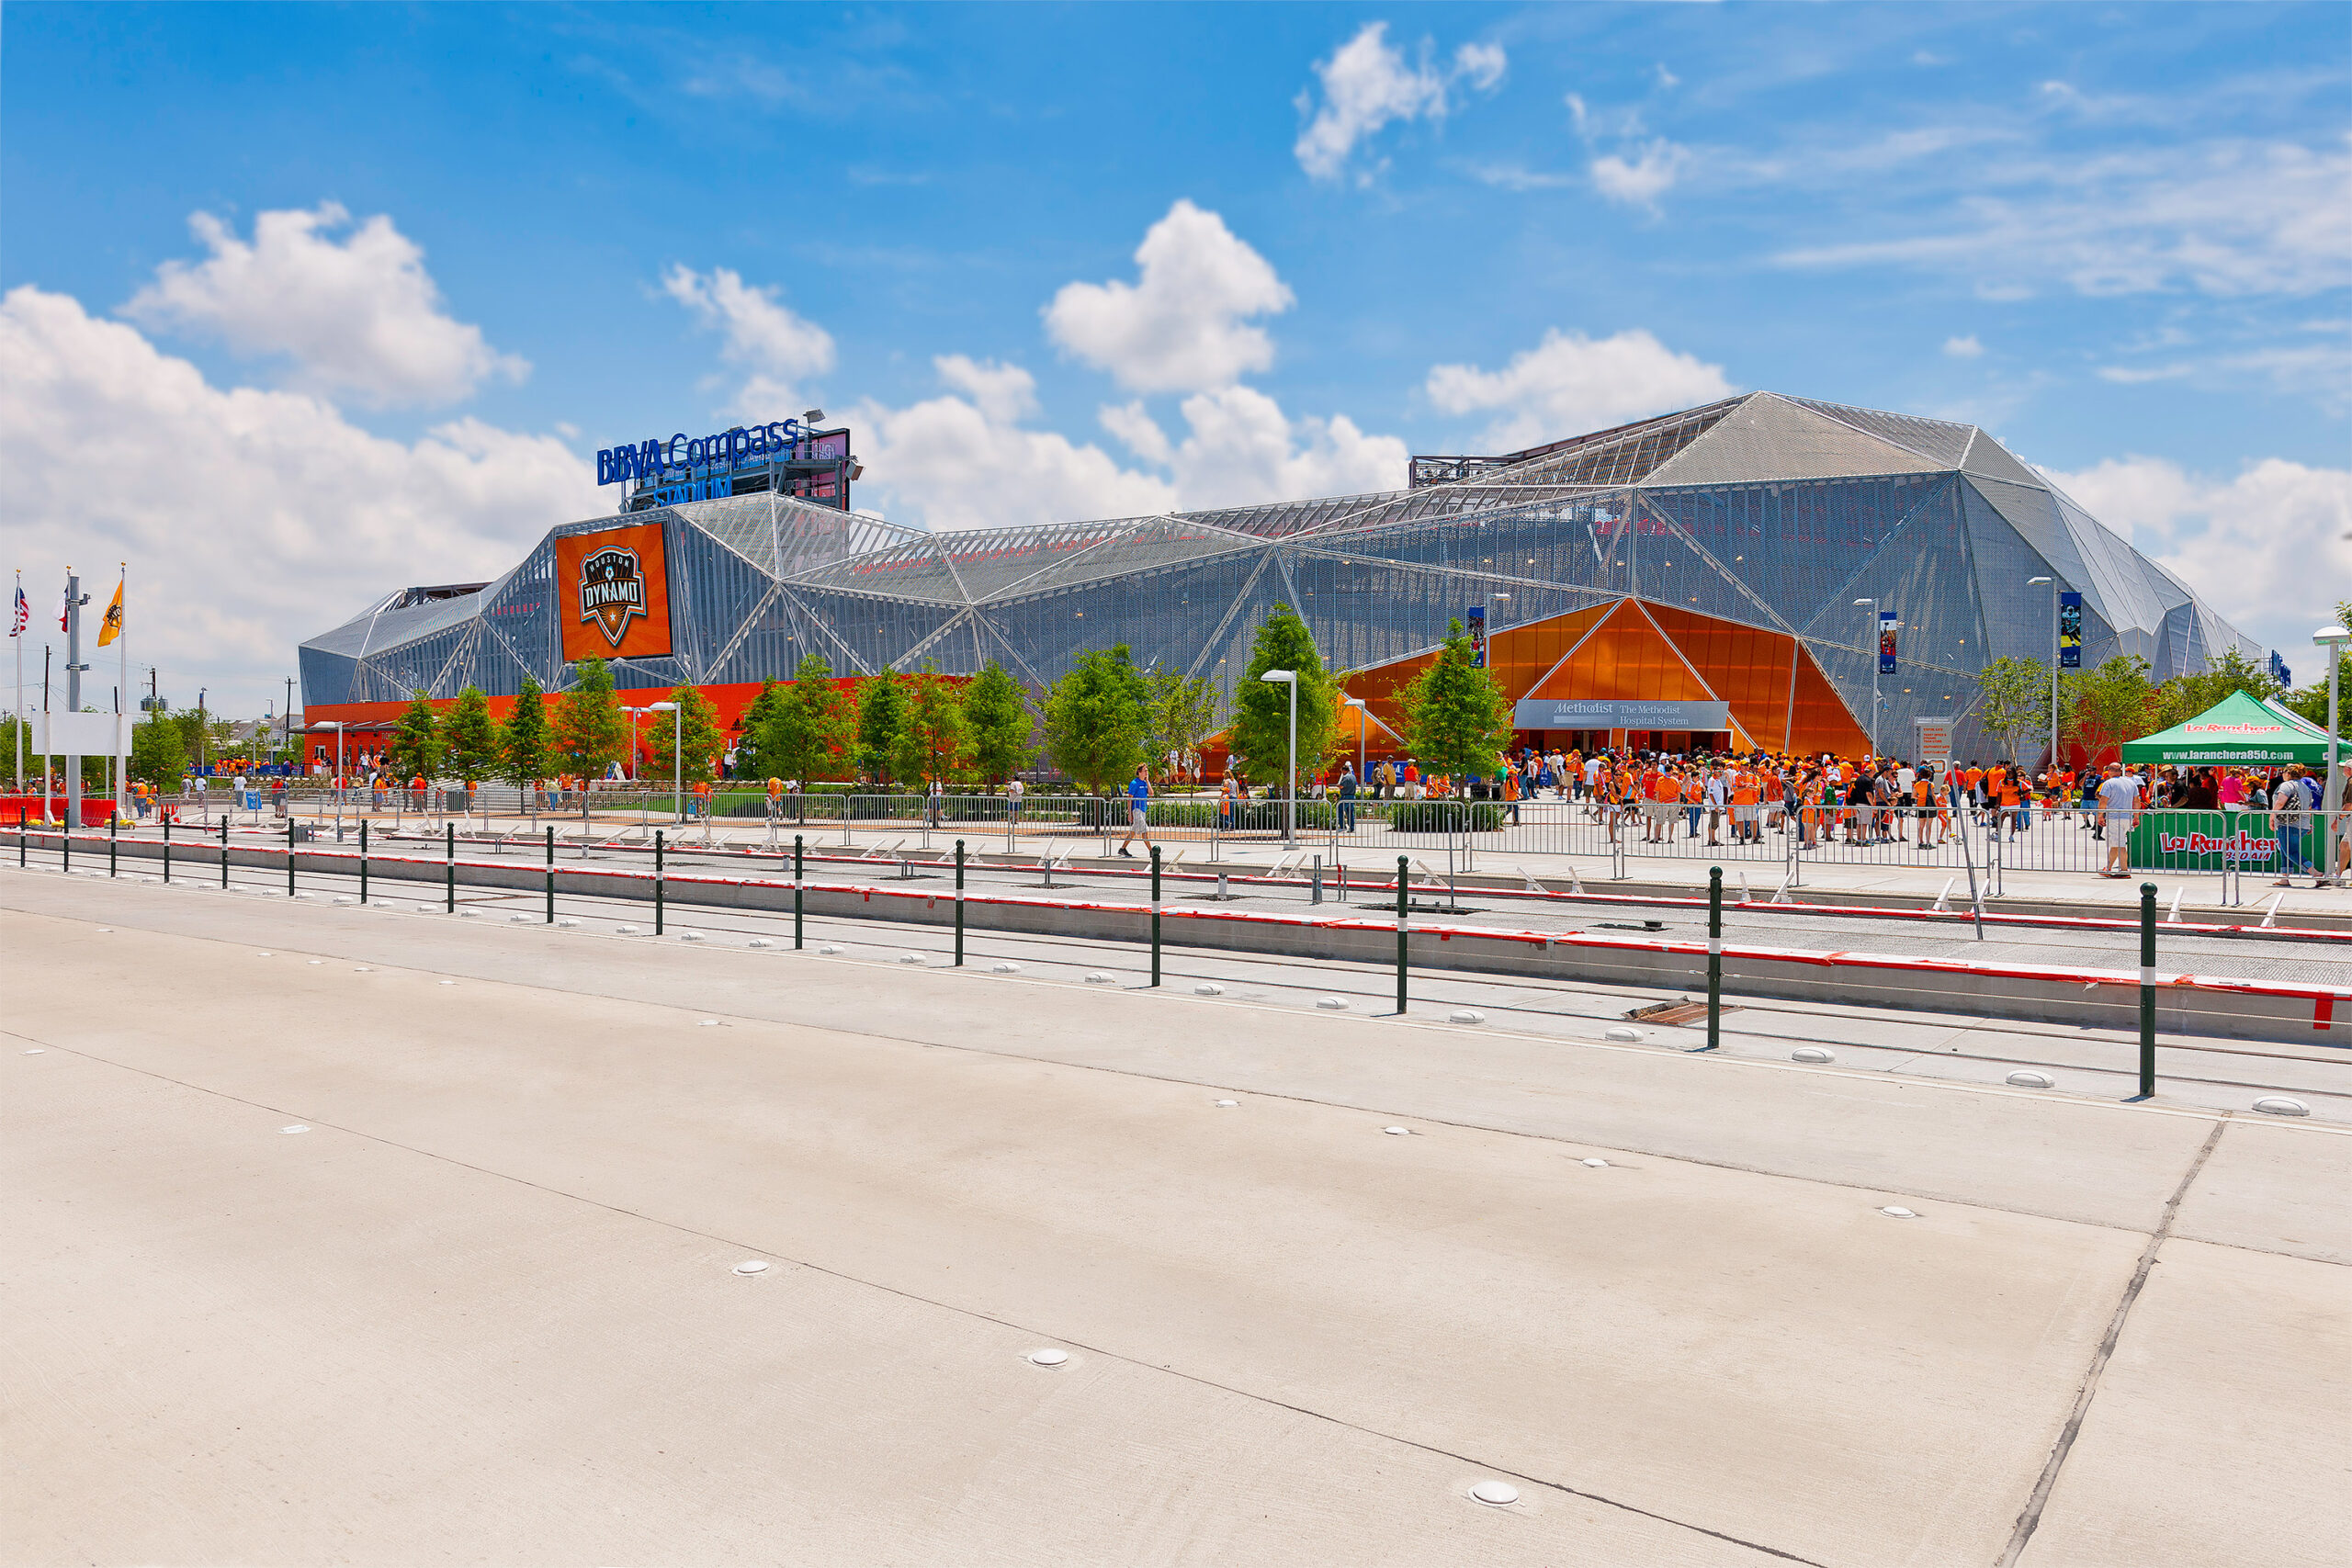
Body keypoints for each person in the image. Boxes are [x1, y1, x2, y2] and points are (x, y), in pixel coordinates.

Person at [2271, 764, 2316, 886]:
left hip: (2288, 823)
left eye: (2284, 772)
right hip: (2302, 823)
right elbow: (2309, 807)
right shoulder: (2305, 787)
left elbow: (2280, 802)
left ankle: (2314, 872)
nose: (2282, 774)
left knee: (2290, 851)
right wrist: (2308, 823)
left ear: (2289, 773)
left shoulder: (2286, 785)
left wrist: (2272, 817)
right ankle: (2285, 877)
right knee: (2285, 850)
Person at [2095, 762, 2142, 878]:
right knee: (2115, 844)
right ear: (2120, 771)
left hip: (2115, 817)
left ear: (2110, 770)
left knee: (2120, 845)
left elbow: (2103, 801)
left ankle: (2124, 870)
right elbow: (2136, 801)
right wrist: (2136, 816)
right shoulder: (2131, 783)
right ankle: (2108, 868)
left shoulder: (2108, 783)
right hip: (2127, 817)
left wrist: (2100, 816)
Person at [1118, 764, 1151, 858]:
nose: (1147, 772)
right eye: (1145, 770)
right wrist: (1130, 813)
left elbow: (1151, 793)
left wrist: (1147, 781)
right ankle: (1152, 851)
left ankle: (1123, 849)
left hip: (1143, 809)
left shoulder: (1145, 783)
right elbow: (1129, 799)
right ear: (1139, 772)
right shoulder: (1134, 783)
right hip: (1136, 810)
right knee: (1144, 831)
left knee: (1133, 831)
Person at [1338, 762, 1359, 831]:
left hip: (1345, 797)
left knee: (1340, 810)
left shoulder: (1346, 777)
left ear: (1344, 770)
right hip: (1352, 796)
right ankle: (1352, 827)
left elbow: (1342, 786)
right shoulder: (1353, 776)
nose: (1342, 773)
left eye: (1342, 771)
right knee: (1350, 812)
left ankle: (1342, 826)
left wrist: (1338, 786)